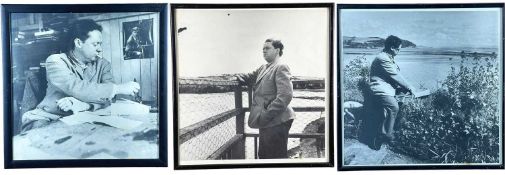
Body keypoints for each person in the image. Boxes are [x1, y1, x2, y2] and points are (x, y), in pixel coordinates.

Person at [21, 19, 140, 132]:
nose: (99, 49)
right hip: (48, 117)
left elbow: (110, 98)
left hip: (83, 117)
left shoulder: (103, 64)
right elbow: (75, 86)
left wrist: (84, 105)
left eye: (100, 44)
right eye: (95, 44)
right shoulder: (55, 61)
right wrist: (118, 88)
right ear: (78, 43)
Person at [236, 38, 295, 159]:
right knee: (264, 155)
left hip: (278, 120)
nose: (264, 51)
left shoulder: (281, 67)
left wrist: (265, 116)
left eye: (267, 48)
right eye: (263, 49)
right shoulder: (263, 68)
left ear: (277, 50)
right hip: (268, 121)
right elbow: (250, 77)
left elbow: (285, 96)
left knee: (275, 158)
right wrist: (238, 77)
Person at [365, 35, 415, 150]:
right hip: (379, 88)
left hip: (387, 88)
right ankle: (386, 135)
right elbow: (395, 75)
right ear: (392, 48)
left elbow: (393, 76)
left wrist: (403, 87)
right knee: (394, 107)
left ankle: (382, 133)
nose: (399, 51)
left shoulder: (388, 57)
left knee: (396, 106)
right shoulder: (383, 58)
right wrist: (410, 87)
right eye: (398, 49)